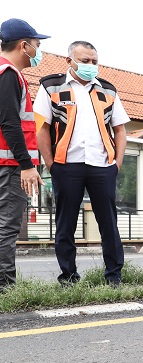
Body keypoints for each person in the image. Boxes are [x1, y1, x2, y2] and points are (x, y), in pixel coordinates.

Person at [34, 41, 130, 287]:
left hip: (102, 167)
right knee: (65, 224)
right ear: (69, 61)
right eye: (85, 61)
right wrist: (51, 164)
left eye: (94, 61)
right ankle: (68, 276)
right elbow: (42, 129)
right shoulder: (50, 86)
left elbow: (119, 130)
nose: (90, 66)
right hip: (66, 166)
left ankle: (114, 276)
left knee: (108, 223)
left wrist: (116, 164)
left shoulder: (108, 90)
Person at [0, 19, 48, 291]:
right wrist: (27, 165)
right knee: (7, 228)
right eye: (37, 46)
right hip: (9, 166)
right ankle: (5, 288)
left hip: (6, 162)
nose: (38, 52)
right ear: (23, 46)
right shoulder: (8, 74)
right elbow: (9, 123)